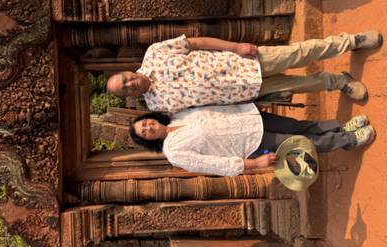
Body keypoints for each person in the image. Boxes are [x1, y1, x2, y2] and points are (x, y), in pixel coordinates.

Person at [107, 31, 383, 112]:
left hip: (243, 62)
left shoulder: (155, 52)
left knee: (299, 53)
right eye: (125, 89)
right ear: (127, 95)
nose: (130, 84)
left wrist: (236, 46)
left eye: (125, 79)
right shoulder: (157, 106)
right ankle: (338, 82)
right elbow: (200, 112)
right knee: (299, 84)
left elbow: (196, 42)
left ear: (127, 71)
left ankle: (351, 41)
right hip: (241, 91)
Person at [129, 104, 375, 176]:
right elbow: (212, 165)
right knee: (301, 143)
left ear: (150, 117)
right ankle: (348, 140)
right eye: (144, 132)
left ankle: (340, 128)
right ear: (147, 141)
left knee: (300, 126)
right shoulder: (173, 152)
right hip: (249, 144)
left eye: (146, 123)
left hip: (249, 117)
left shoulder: (178, 115)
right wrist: (253, 165)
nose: (148, 127)